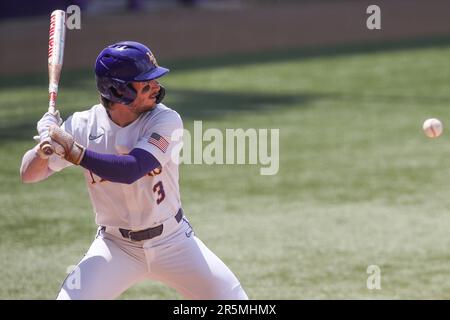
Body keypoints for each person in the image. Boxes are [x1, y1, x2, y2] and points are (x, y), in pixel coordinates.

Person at [20, 41, 248, 300]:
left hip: (173, 242)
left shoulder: (165, 120)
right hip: (116, 246)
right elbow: (28, 175)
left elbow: (132, 169)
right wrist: (43, 150)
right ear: (119, 91)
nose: (157, 87)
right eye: (146, 83)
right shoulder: (82, 126)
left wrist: (74, 152)